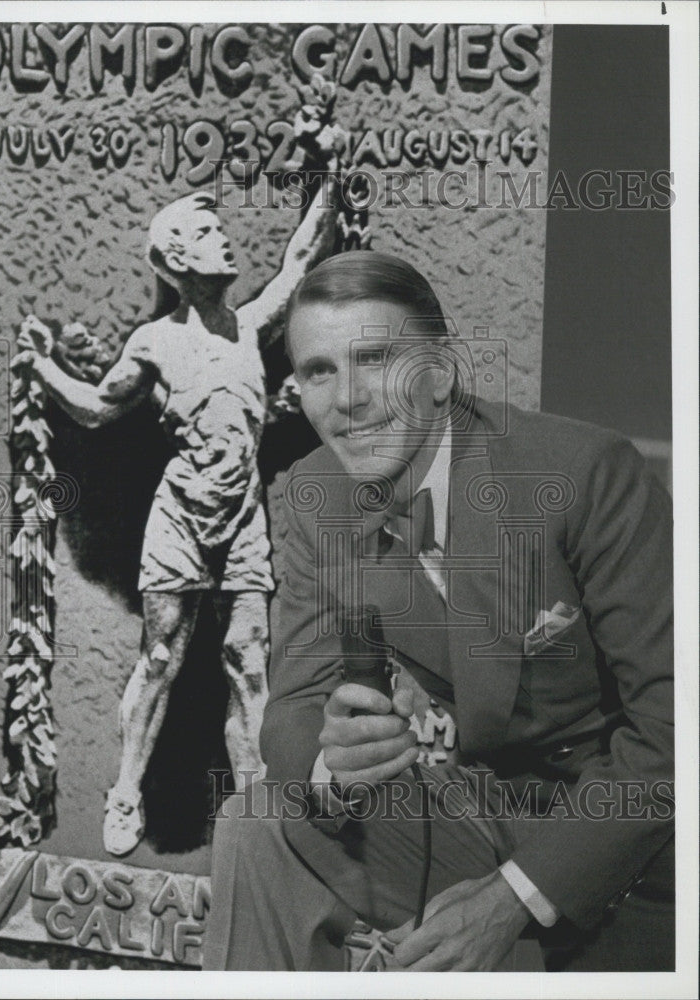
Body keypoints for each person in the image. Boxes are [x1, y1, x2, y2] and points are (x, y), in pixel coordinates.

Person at [202, 251, 674, 972]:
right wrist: (334, 759)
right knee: (256, 819)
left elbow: (676, 731)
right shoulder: (312, 494)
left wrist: (512, 898)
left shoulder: (584, 475)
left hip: (617, 841)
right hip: (463, 811)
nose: (348, 397)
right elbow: (292, 708)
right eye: (319, 371)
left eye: (375, 359)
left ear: (441, 373)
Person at [16, 186, 334, 856]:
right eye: (210, 231)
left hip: (242, 518)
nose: (226, 239)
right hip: (181, 518)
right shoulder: (156, 342)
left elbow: (302, 255)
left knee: (249, 662)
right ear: (179, 255)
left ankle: (258, 818)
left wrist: (329, 167)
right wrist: (42, 368)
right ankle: (127, 791)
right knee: (160, 656)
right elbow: (100, 409)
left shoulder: (249, 326)